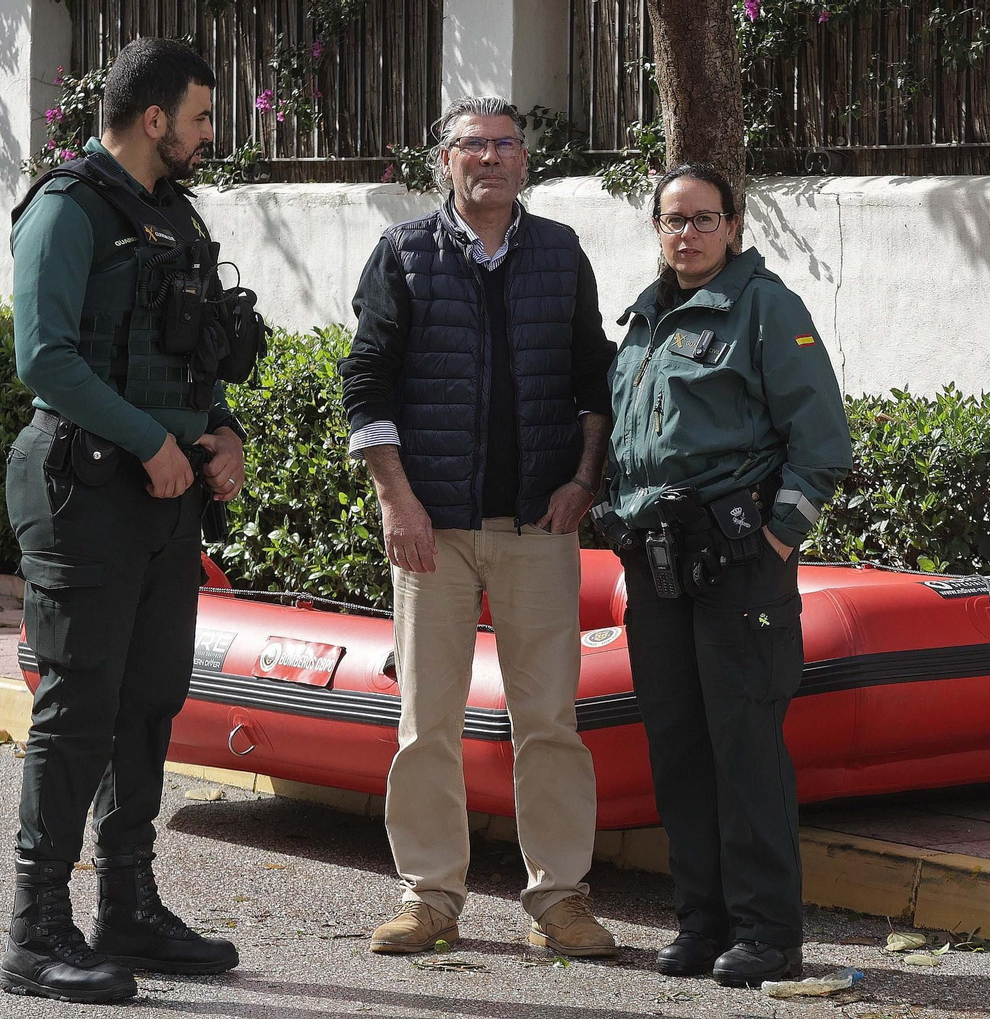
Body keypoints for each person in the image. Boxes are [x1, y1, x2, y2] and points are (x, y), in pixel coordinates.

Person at [1, 38, 254, 1002]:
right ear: (153, 119)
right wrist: (152, 442)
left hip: (162, 496)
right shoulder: (67, 209)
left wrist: (218, 432)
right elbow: (45, 358)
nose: (206, 135)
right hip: (85, 489)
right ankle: (36, 929)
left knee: (148, 697)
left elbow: (186, 356)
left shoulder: (172, 218)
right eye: (198, 117)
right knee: (78, 707)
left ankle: (127, 905)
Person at [338, 96, 618, 958]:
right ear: (445, 162)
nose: (491, 158)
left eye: (506, 145)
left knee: (551, 722)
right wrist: (397, 501)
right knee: (428, 720)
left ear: (525, 162)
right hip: (435, 529)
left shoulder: (562, 253)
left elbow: (592, 381)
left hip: (542, 523)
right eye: (473, 146)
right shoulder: (402, 253)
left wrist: (582, 482)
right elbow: (366, 383)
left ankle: (561, 900)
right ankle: (430, 899)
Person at [598, 164, 851, 987]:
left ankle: (768, 933)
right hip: (660, 566)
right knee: (679, 749)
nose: (688, 234)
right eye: (673, 220)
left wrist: (776, 540)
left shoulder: (768, 309)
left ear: (734, 225)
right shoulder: (644, 317)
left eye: (704, 219)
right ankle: (702, 922)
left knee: (746, 750)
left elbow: (822, 446)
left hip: (740, 567)